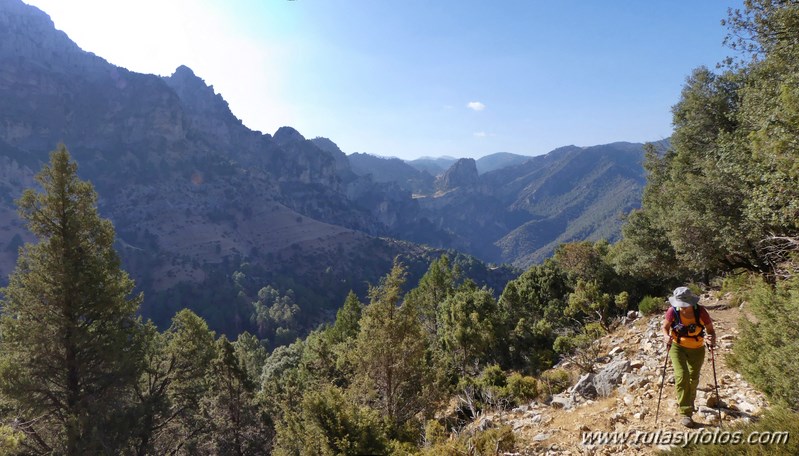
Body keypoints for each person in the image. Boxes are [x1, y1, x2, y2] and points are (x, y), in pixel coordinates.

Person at [662, 286, 716, 428]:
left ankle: (690, 399)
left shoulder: (701, 312)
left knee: (694, 378)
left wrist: (711, 339)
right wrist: (666, 337)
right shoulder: (672, 311)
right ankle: (685, 412)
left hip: (697, 348)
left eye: (685, 305)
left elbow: (710, 330)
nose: (683, 308)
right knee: (682, 376)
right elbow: (665, 328)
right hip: (677, 347)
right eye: (680, 305)